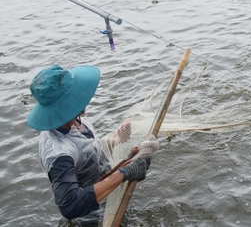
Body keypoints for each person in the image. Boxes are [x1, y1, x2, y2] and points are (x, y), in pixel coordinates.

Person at [27, 65, 155, 223]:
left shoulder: (71, 122)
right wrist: (124, 173)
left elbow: (86, 153)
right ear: (65, 105)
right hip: (95, 219)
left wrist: (115, 141)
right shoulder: (59, 154)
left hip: (109, 197)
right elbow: (70, 205)